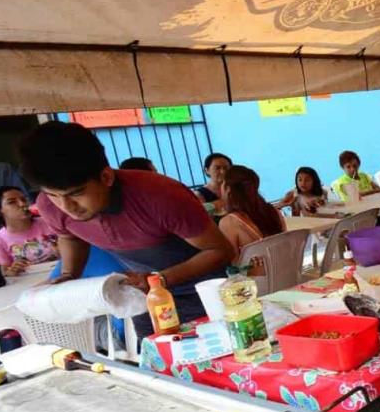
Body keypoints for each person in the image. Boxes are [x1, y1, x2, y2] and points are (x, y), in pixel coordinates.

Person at [17, 121, 235, 336]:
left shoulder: (160, 196)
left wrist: (159, 280)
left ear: (106, 177)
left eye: (76, 193)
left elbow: (220, 251)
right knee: (156, 364)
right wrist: (69, 274)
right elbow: (70, 237)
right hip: (141, 298)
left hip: (204, 292)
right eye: (54, 195)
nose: (67, 207)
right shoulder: (49, 206)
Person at [219, 166, 287, 260]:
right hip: (287, 269)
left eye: (222, 182)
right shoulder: (273, 211)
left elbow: (233, 264)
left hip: (254, 275)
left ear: (228, 188)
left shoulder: (228, 222)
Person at [0, 185, 58, 274]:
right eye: (12, 202)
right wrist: (12, 271)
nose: (22, 204)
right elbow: (4, 272)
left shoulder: (50, 221)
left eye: (24, 199)